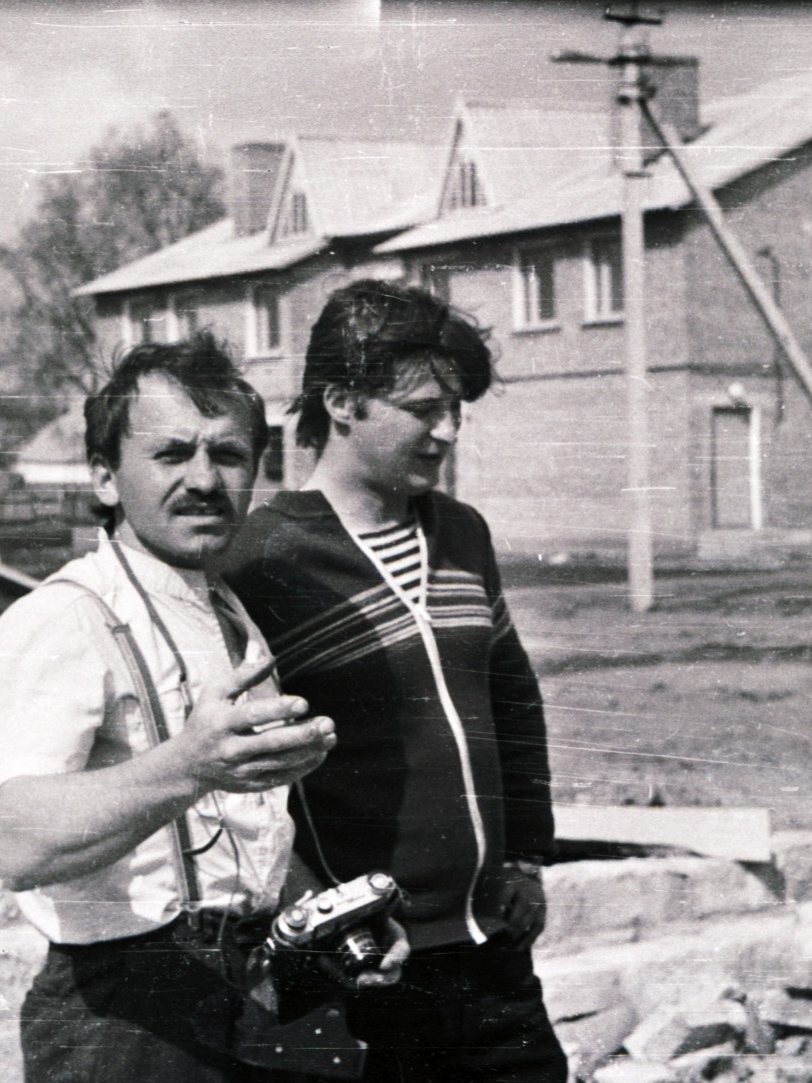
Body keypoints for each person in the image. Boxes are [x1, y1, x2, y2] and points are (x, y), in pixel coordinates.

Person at [0, 332, 404, 1083]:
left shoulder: (229, 615)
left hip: (250, 986)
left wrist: (328, 917)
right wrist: (189, 763)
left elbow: (239, 837)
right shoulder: (63, 617)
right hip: (124, 1012)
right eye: (171, 454)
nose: (203, 479)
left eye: (228, 455)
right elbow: (18, 844)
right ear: (105, 477)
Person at [222, 280, 567, 1082]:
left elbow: (511, 699)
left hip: (491, 951)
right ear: (342, 401)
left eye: (456, 409)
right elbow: (240, 780)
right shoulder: (264, 558)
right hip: (364, 963)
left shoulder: (463, 533)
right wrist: (319, 917)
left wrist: (523, 857)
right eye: (421, 408)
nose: (446, 430)